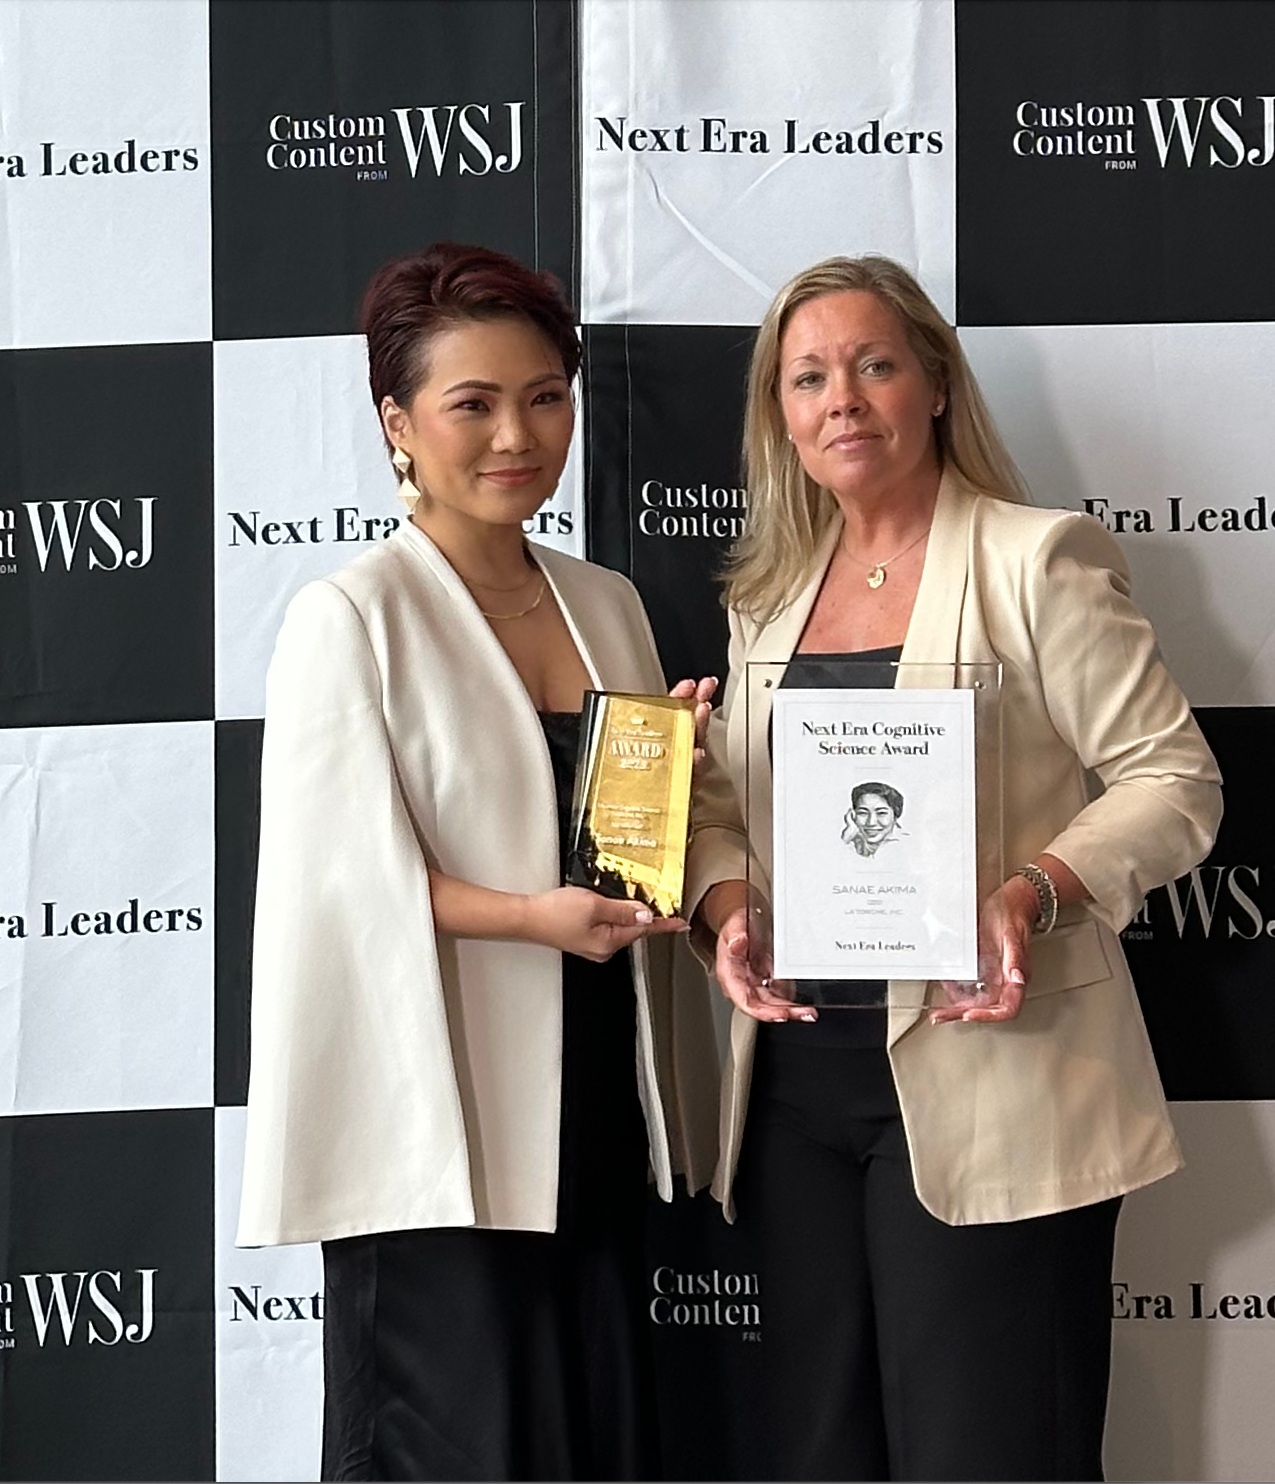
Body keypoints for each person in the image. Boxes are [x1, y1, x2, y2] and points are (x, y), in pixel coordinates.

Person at [695, 256, 1223, 1482]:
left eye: (873, 364)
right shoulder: (766, 595)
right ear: (780, 415)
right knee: (818, 1454)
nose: (841, 398)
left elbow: (1173, 779)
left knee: (989, 1452)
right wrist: (725, 904)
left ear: (933, 383)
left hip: (993, 1067)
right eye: (807, 377)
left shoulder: (1035, 560)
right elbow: (725, 804)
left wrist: (1030, 891)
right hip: (793, 1093)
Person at [235, 242, 744, 1482]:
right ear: (397, 424)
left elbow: (620, 842)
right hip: (436, 1106)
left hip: (593, 1090)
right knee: (457, 1440)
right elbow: (336, 881)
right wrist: (531, 916)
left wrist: (672, 780)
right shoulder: (351, 615)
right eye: (472, 402)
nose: (517, 434)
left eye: (544, 396)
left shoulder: (606, 601)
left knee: (591, 1434)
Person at [843, 781, 906, 856]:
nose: (871, 823)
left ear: (896, 815)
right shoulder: (851, 844)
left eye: (881, 813)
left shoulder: (906, 845)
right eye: (863, 813)